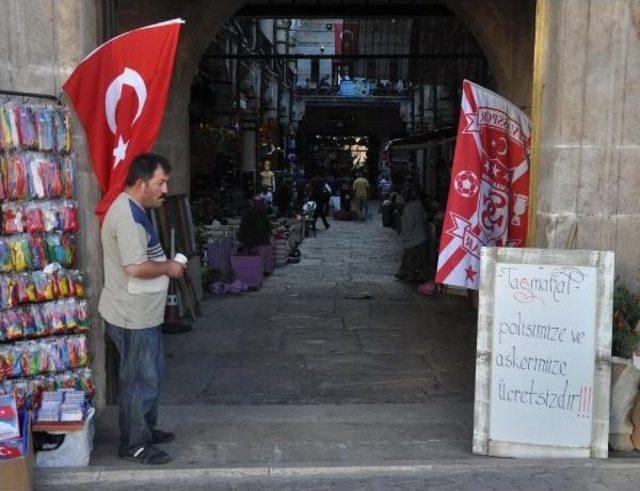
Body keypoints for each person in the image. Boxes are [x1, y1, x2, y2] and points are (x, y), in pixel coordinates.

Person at [99, 153, 186, 465]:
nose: (166, 188)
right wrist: (169, 268)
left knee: (150, 373)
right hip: (131, 314)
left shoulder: (140, 208)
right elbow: (135, 267)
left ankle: (144, 429)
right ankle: (134, 443)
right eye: (160, 182)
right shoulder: (128, 217)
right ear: (140, 184)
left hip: (143, 311)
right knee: (139, 379)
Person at [395, 186, 429, 282]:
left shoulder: (409, 207)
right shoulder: (418, 204)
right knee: (416, 258)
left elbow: (409, 224)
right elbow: (424, 218)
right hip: (421, 236)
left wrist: (404, 236)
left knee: (410, 257)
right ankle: (408, 274)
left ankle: (409, 275)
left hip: (413, 238)